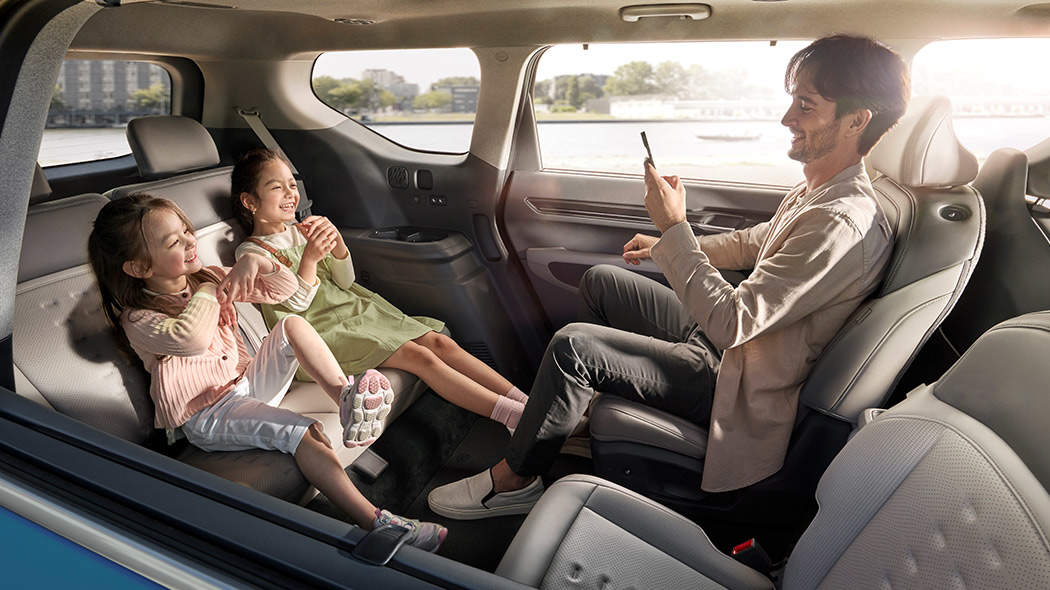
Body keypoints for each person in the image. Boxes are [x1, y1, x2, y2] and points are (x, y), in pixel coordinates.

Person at [427, 34, 909, 519]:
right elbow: (752, 243)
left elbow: (733, 323)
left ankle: (515, 480)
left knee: (574, 347)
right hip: (730, 349)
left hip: (739, 379)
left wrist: (675, 227)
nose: (788, 118)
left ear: (857, 120)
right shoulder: (820, 192)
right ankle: (574, 424)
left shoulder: (839, 221)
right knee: (602, 280)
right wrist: (665, 243)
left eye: (806, 105)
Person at [88, 194, 446, 551]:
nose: (189, 240)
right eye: (173, 242)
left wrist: (257, 263)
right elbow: (191, 338)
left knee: (291, 324)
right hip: (208, 413)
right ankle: (378, 524)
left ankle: (346, 397)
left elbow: (286, 292)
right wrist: (211, 288)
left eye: (186, 230)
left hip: (245, 384)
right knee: (305, 434)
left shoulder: (209, 276)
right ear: (139, 268)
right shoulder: (140, 318)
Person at [230, 149, 528, 445]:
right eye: (276, 187)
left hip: (354, 310)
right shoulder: (252, 253)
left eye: (291, 185)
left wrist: (338, 246)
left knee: (440, 342)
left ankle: (527, 404)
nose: (290, 194)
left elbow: (345, 282)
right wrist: (309, 259)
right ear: (250, 202)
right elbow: (297, 305)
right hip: (320, 333)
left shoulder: (303, 230)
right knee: (420, 356)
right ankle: (518, 419)